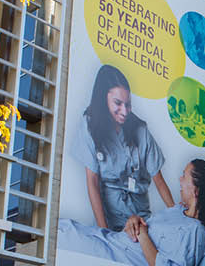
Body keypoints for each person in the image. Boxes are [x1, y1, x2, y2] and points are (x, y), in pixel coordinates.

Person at [57, 159, 205, 266]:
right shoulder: (176, 212)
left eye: (184, 175)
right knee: (66, 228)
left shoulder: (196, 232)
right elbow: (146, 227)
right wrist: (134, 220)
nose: (179, 180)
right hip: (113, 241)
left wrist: (143, 235)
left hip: (116, 258)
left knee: (64, 236)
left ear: (196, 190)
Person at [70, 64, 174, 231]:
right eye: (118, 103)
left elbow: (159, 181)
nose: (125, 112)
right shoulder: (89, 126)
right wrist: (105, 232)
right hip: (112, 222)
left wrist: (177, 218)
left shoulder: (141, 130)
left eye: (128, 104)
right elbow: (92, 182)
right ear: (102, 99)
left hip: (143, 220)